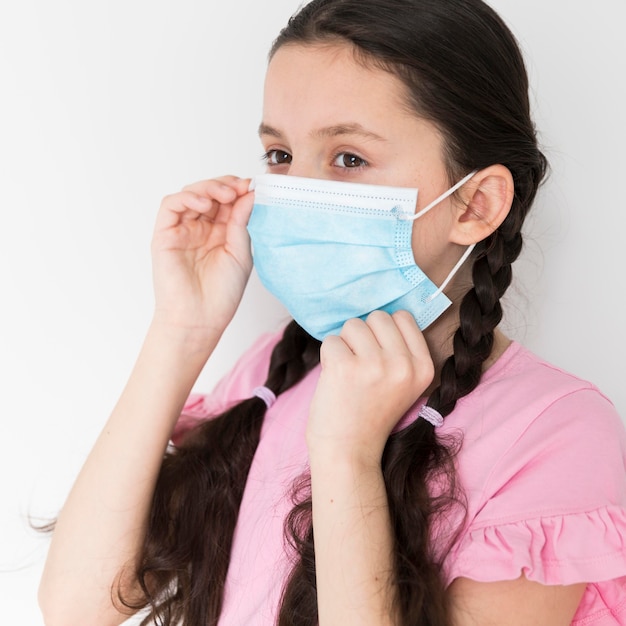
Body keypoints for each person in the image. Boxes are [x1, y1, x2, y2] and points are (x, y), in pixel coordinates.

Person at [38, 0, 626, 624]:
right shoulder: (274, 372)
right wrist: (181, 334)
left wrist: (346, 452)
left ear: (476, 204)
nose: (297, 192)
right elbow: (78, 606)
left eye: (348, 158)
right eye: (280, 156)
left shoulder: (556, 432)